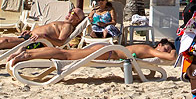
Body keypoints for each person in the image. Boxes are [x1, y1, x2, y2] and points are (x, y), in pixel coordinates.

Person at [0, 6, 85, 52]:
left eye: (74, 14)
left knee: (4, 41)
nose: (70, 14)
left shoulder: (67, 26)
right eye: (70, 11)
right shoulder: (63, 22)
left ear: (78, 20)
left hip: (37, 43)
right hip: (31, 38)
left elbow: (61, 42)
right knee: (3, 40)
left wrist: (44, 37)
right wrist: (30, 32)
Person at [10, 38, 178, 65]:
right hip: (108, 53)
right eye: (166, 47)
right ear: (160, 44)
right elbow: (169, 57)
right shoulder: (150, 49)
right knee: (65, 55)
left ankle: (28, 53)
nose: (165, 50)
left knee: (65, 52)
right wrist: (176, 51)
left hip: (105, 49)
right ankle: (27, 55)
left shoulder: (145, 47)